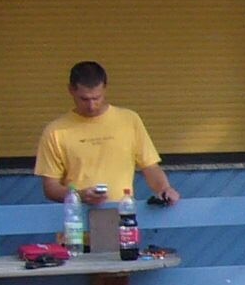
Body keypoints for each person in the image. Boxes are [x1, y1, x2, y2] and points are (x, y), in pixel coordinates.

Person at [35, 61, 180, 209]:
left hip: (122, 221)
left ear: (105, 89)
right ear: (71, 90)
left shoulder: (129, 120)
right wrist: (79, 195)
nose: (91, 106)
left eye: (96, 98)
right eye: (84, 99)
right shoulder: (55, 131)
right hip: (76, 224)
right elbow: (50, 188)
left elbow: (150, 166)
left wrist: (165, 189)